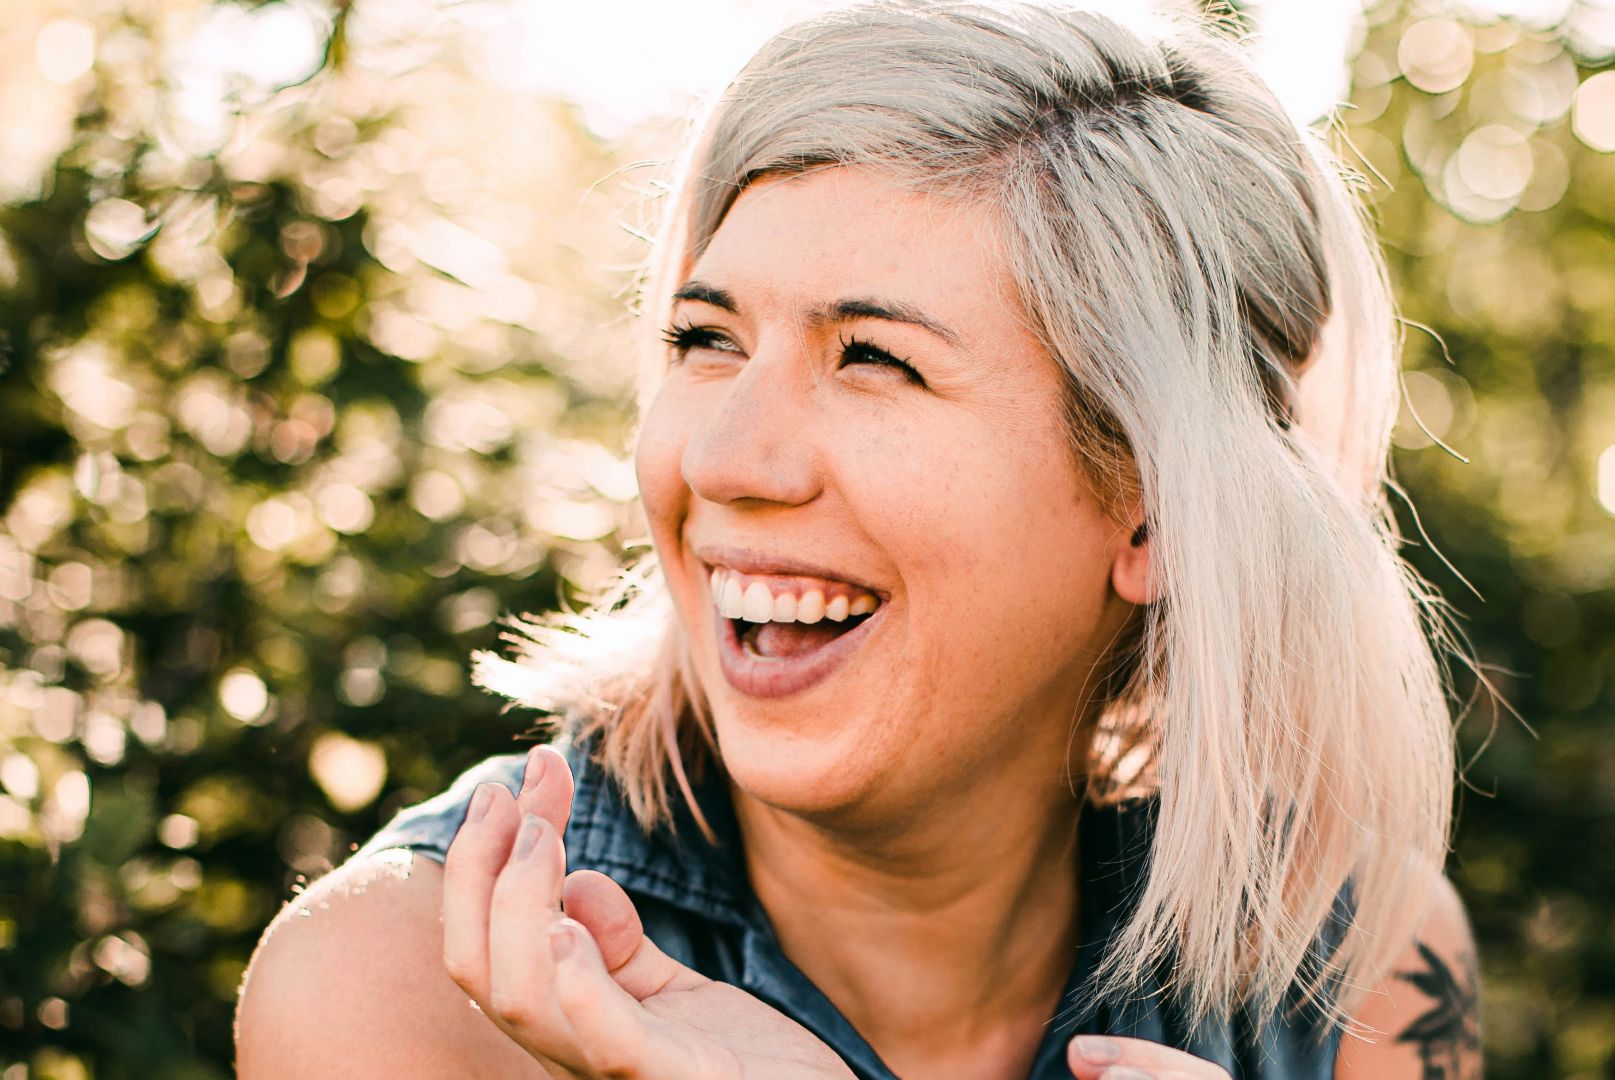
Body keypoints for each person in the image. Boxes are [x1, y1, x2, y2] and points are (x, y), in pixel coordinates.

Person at [235, 2, 1480, 1077]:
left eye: (874, 360)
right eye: (704, 339)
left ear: (1156, 505)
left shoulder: (1370, 965)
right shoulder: (404, 987)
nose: (723, 457)